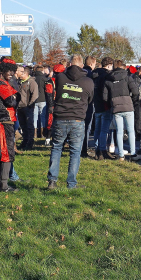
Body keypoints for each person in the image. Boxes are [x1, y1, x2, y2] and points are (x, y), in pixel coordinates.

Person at [47, 55, 94, 189]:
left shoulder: (61, 77)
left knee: (56, 148)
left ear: (69, 64)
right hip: (77, 119)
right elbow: (90, 99)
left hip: (60, 117)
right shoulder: (88, 81)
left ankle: (52, 181)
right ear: (81, 66)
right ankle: (71, 183)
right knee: (75, 152)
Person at [0, 58, 21, 192]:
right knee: (6, 152)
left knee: (7, 151)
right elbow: (11, 101)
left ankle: (3, 183)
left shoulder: (2, 82)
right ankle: (3, 185)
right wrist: (14, 97)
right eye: (8, 71)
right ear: (2, 70)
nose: (11, 74)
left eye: (12, 71)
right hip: (2, 120)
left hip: (6, 120)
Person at [103, 59, 140, 161]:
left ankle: (121, 155)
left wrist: (111, 102)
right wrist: (131, 99)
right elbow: (136, 91)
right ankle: (133, 154)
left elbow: (105, 97)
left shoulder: (108, 80)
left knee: (119, 131)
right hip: (128, 105)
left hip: (116, 107)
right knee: (130, 130)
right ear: (123, 67)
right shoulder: (127, 78)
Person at [91, 57, 114, 160]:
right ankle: (102, 150)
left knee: (97, 129)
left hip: (96, 104)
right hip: (104, 105)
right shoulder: (106, 76)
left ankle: (97, 150)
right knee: (104, 130)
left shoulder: (94, 75)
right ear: (109, 65)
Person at [17, 65, 38, 150]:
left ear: (25, 73)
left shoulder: (32, 82)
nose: (19, 74)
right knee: (23, 125)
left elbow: (35, 95)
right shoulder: (19, 82)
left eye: (21, 73)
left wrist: (30, 105)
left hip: (27, 107)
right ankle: (25, 141)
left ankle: (30, 142)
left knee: (29, 125)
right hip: (19, 107)